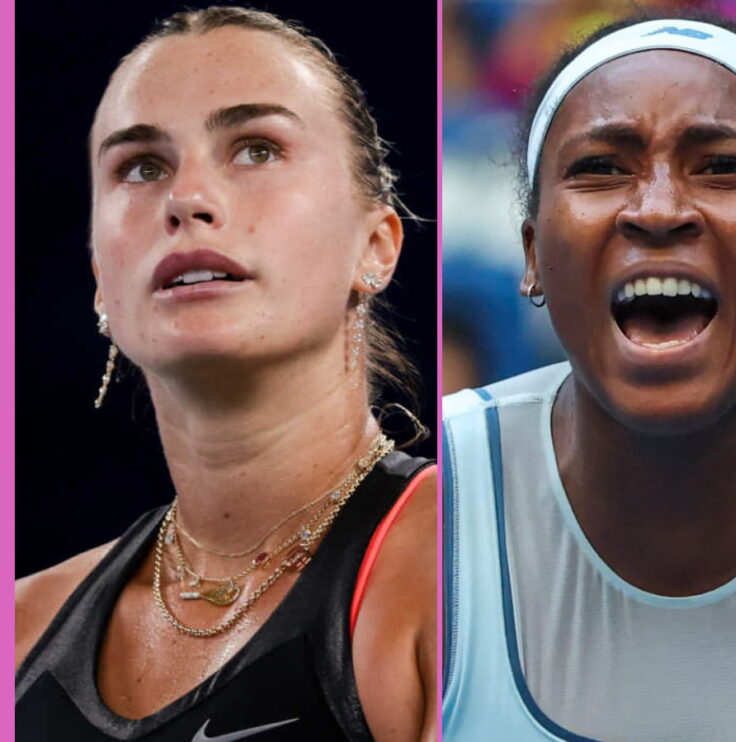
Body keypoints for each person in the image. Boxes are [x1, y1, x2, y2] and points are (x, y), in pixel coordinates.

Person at [441, 12, 736, 742]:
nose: (658, 209)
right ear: (531, 257)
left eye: (723, 166)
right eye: (601, 169)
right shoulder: (431, 501)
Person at [13, 8, 437, 742]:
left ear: (376, 244)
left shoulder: (466, 561)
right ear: (99, 281)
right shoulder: (20, 628)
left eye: (256, 149)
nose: (187, 200)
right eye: (141, 166)